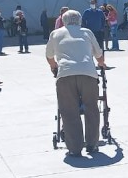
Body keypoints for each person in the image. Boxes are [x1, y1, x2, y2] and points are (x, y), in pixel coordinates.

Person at [45, 10, 106, 157]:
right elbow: (99, 54)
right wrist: (101, 64)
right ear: (79, 20)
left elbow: (49, 56)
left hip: (65, 74)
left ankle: (74, 147)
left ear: (63, 20)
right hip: (88, 74)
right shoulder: (87, 32)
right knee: (91, 109)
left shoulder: (55, 33)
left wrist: (54, 67)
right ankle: (92, 144)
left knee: (69, 111)